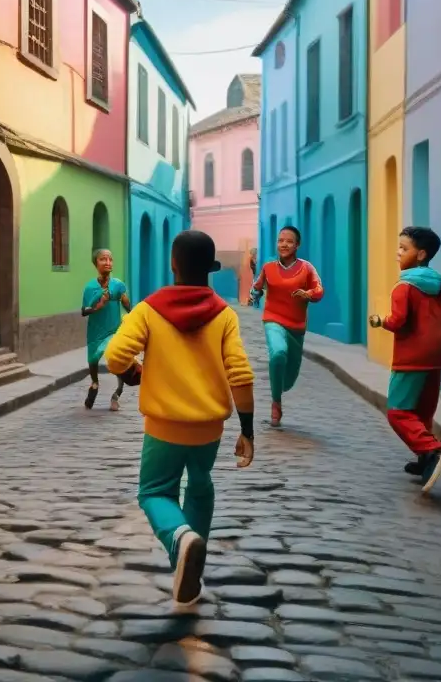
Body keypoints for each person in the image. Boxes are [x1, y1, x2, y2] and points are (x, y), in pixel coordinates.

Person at [105, 230, 255, 608]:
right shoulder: (224, 315)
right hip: (209, 430)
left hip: (164, 428)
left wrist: (132, 374)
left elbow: (115, 355)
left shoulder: (149, 310)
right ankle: (189, 570)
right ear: (212, 268)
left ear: (173, 264)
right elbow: (240, 374)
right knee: (201, 486)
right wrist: (248, 430)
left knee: (155, 492)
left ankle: (180, 540)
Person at [369, 225, 441, 494]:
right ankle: (424, 462)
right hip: (436, 356)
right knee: (422, 412)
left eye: (403, 248)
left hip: (410, 358)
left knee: (398, 412)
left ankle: (430, 450)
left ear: (420, 254)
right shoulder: (437, 281)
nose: (398, 253)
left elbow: (397, 322)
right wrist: (434, 332)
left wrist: (379, 321)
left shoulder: (404, 286)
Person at [250, 225, 323, 427]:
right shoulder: (268, 268)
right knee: (278, 353)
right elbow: (257, 287)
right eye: (280, 240)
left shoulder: (306, 268)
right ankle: (276, 403)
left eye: (289, 241)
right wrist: (254, 295)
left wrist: (307, 294)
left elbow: (319, 290)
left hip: (297, 327)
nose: (284, 244)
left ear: (297, 245)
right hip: (273, 319)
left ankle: (280, 390)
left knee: (289, 378)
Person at [82, 249, 131, 411]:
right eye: (103, 259)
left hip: (114, 330)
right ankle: (94, 383)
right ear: (96, 263)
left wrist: (129, 307)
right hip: (96, 330)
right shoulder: (90, 287)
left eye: (110, 259)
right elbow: (84, 311)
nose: (108, 262)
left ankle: (117, 393)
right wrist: (98, 306)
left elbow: (127, 306)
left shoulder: (118, 285)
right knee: (93, 360)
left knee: (116, 359)